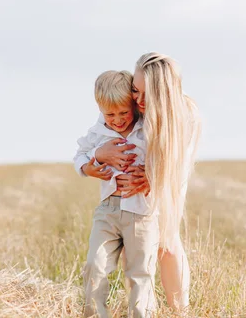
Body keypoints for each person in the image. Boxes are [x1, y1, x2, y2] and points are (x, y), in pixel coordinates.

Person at [92, 53, 201, 311]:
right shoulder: (134, 106)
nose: (138, 100)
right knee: (137, 247)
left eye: (146, 93)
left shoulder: (187, 115)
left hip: (167, 181)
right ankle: (142, 307)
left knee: (168, 243)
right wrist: (100, 155)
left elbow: (180, 164)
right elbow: (103, 131)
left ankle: (180, 310)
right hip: (133, 184)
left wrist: (152, 177)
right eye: (135, 90)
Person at [74, 70, 159, 318]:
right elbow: (80, 155)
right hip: (108, 210)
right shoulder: (98, 132)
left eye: (123, 112)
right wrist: (95, 158)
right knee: (95, 265)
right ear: (100, 109)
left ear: (134, 104)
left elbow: (166, 157)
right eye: (110, 114)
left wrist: (151, 173)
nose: (118, 120)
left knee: (140, 272)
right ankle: (95, 314)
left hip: (141, 212)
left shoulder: (147, 129)